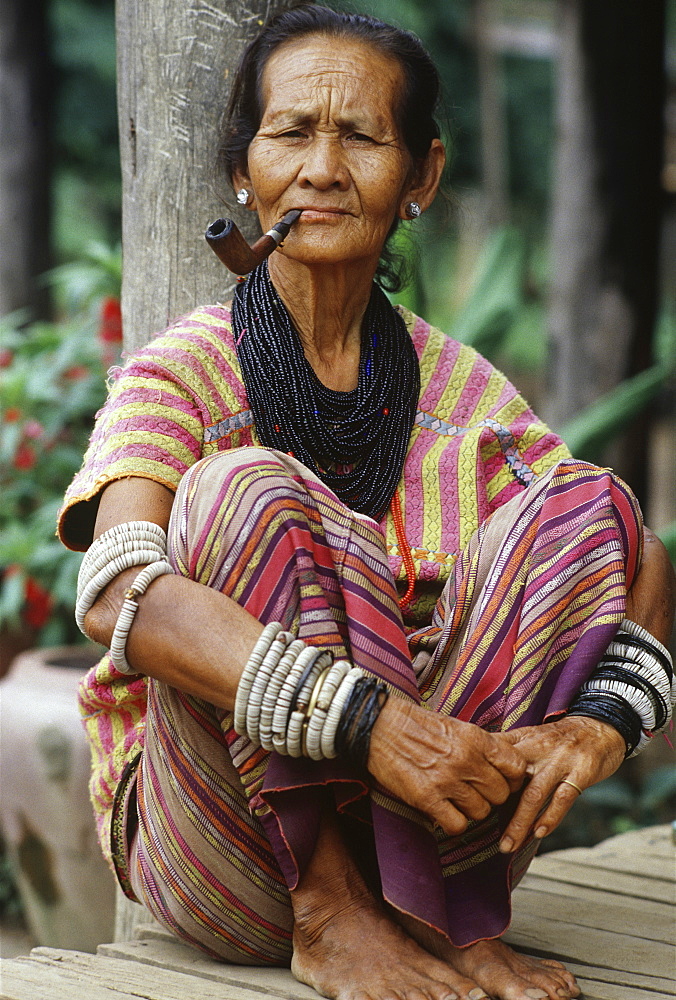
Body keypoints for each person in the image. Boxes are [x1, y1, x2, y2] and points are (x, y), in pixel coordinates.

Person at [59, 6, 675, 1000]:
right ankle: (331, 911)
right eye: (292, 132)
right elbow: (117, 589)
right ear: (243, 169)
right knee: (241, 488)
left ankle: (449, 915)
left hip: (431, 839)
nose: (323, 168)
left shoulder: (459, 389)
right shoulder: (183, 373)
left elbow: (625, 547)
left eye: (362, 136)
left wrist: (603, 722)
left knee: (583, 500)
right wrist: (366, 722)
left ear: (420, 177)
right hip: (225, 848)